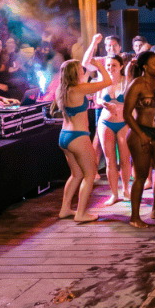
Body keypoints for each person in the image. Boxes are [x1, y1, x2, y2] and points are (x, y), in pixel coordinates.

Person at [56, 57, 112, 223]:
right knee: (89, 174)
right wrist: (100, 67)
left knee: (76, 174)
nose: (84, 70)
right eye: (81, 69)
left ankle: (65, 209)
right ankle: (81, 213)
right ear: (75, 73)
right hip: (78, 137)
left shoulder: (62, 89)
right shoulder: (80, 89)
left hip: (64, 136)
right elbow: (107, 81)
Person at [123, 50, 155, 227]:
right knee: (141, 175)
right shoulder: (137, 84)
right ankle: (134, 217)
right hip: (139, 131)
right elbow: (127, 114)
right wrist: (141, 134)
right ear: (144, 66)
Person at [97, 54, 131, 205]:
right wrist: (104, 104)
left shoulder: (126, 81)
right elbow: (97, 99)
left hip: (123, 123)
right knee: (110, 161)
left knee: (124, 159)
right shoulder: (103, 81)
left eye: (114, 65)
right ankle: (114, 194)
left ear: (121, 66)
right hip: (106, 122)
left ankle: (126, 190)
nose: (110, 68)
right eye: (108, 65)